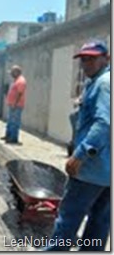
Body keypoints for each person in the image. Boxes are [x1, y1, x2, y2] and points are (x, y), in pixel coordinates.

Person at [45, 40, 110, 251]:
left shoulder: (104, 84)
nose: (86, 63)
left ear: (106, 58)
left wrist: (80, 155)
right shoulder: (97, 82)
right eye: (83, 59)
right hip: (106, 171)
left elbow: (104, 123)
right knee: (99, 223)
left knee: (68, 219)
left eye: (92, 58)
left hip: (91, 168)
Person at [1, 65, 27, 144]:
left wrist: (15, 103)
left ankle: (13, 138)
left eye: (12, 72)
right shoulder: (16, 80)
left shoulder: (21, 81)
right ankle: (8, 135)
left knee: (15, 122)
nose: (11, 74)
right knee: (10, 121)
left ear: (17, 72)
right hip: (12, 104)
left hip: (16, 105)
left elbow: (20, 93)